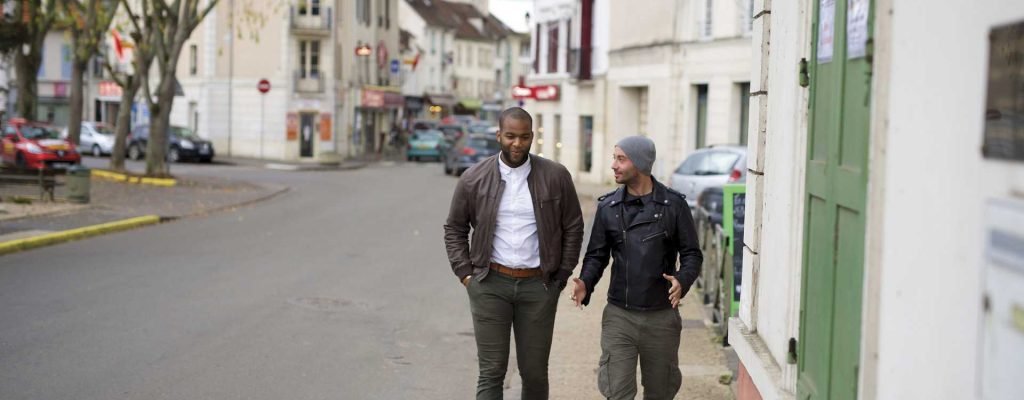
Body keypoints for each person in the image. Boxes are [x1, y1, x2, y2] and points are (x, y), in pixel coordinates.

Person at [444, 107, 584, 399]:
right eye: (510, 136)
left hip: (538, 286)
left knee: (534, 372)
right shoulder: (473, 178)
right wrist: (466, 274)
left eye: (524, 137)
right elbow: (455, 228)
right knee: (492, 370)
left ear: (532, 137)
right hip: (490, 284)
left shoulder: (556, 176)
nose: (517, 144)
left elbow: (573, 227)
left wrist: (561, 276)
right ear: (499, 135)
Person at [570, 135, 703, 400]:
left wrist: (682, 280)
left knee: (660, 392)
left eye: (621, 159)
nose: (614, 165)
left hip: (661, 317)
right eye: (614, 158)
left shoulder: (674, 205)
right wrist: (586, 282)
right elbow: (596, 255)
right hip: (619, 315)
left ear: (640, 164)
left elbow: (692, 254)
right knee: (618, 392)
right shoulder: (608, 207)